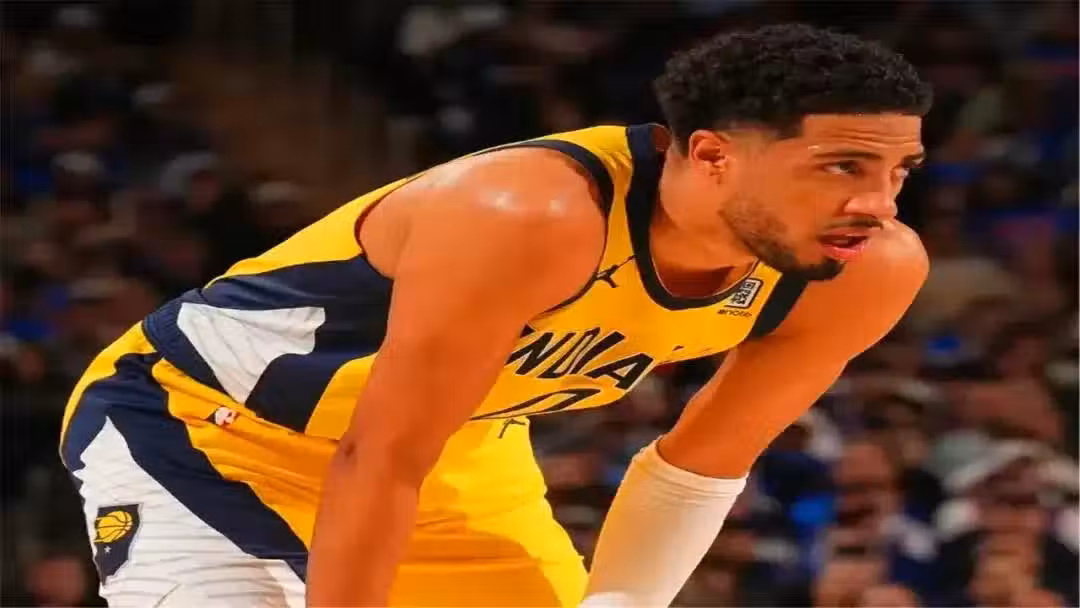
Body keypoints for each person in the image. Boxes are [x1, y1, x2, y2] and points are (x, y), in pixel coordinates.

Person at [59, 24, 932, 607]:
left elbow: (696, 468)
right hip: (205, 429)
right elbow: (379, 455)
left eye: (899, 171)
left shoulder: (864, 268)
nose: (878, 204)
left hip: (456, 455)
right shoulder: (530, 214)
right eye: (842, 167)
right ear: (711, 155)